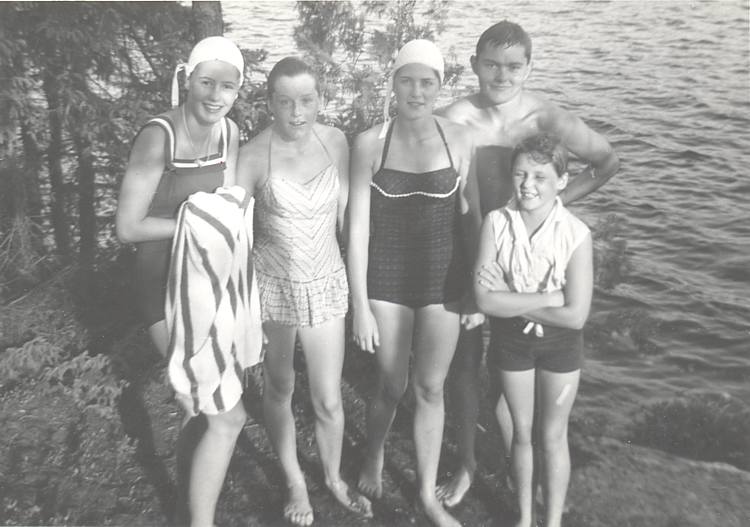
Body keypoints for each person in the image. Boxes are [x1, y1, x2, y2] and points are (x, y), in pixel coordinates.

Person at [436, 20, 620, 508]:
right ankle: (469, 463)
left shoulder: (545, 119)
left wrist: (554, 210)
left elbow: (606, 160)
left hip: (530, 260)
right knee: (465, 362)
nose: (501, 76)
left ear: (529, 67)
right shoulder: (453, 118)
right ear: (475, 65)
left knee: (512, 366)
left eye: (514, 66)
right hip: (473, 251)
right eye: (491, 65)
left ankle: (528, 465)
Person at [347, 39, 483, 527]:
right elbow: (357, 228)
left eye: (427, 83)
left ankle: (426, 495)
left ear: (440, 87)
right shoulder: (369, 143)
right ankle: (374, 452)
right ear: (394, 83)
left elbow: (473, 222)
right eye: (407, 80)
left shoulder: (460, 139)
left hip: (442, 279)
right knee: (391, 382)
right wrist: (359, 304)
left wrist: (475, 290)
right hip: (385, 277)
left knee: (430, 387)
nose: (417, 91)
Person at [115, 36, 248, 527]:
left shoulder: (230, 133)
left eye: (227, 87)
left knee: (195, 407)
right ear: (187, 78)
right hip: (161, 287)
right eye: (206, 82)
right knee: (224, 415)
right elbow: (128, 227)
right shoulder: (159, 137)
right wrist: (196, 224)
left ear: (239, 90)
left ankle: (184, 511)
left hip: (206, 284)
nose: (215, 96)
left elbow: (228, 207)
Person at [236, 57, 372, 527]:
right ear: (270, 102)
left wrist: (361, 296)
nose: (298, 112)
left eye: (307, 100)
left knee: (328, 397)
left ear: (321, 99)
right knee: (279, 386)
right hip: (273, 285)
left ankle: (333, 478)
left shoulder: (335, 142)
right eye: (286, 101)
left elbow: (351, 221)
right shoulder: (252, 155)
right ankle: (295, 479)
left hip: (327, 282)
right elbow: (231, 233)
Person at [473, 134, 592, 527]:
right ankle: (525, 519)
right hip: (512, 343)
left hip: (560, 346)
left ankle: (552, 521)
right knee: (521, 433)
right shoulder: (496, 223)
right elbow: (486, 301)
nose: (528, 185)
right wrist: (550, 298)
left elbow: (576, 317)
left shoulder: (575, 234)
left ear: (562, 180)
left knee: (553, 435)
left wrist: (511, 296)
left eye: (540, 176)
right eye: (520, 174)